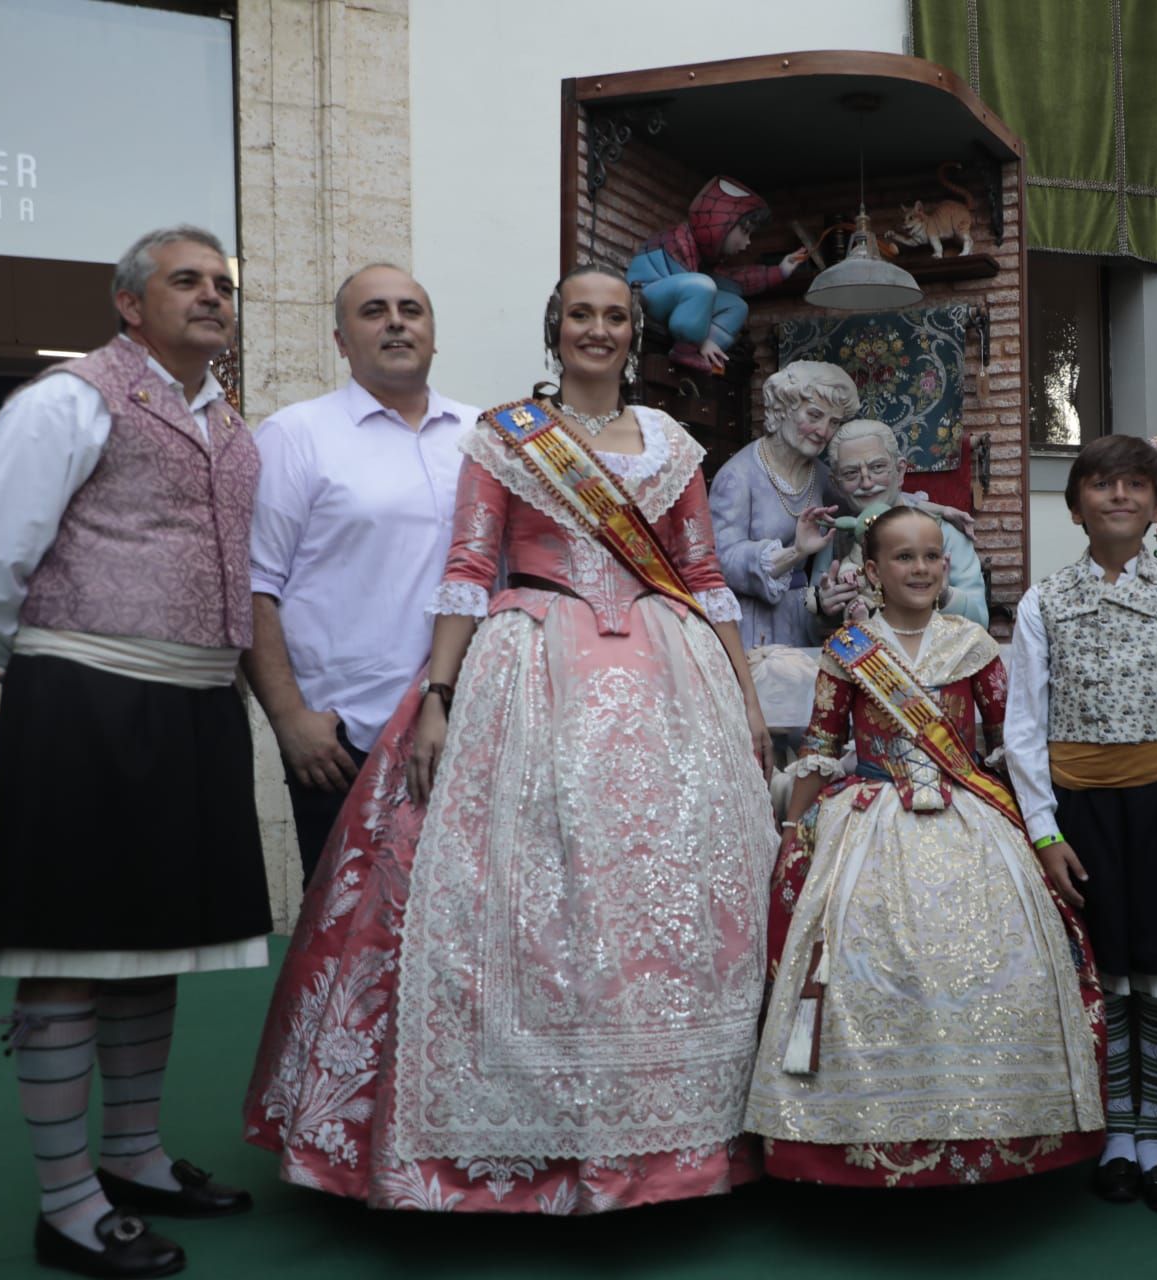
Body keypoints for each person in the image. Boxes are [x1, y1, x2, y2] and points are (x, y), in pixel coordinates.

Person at [242, 263, 778, 1215]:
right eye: (581, 314)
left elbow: (703, 577)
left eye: (616, 316)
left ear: (635, 335)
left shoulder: (673, 444)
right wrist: (439, 692)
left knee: (672, 899)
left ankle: (683, 1132)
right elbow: (468, 565)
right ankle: (522, 1146)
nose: (599, 330)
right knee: (532, 896)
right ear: (555, 329)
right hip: (533, 668)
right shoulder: (504, 437)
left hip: (670, 682)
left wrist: (742, 697)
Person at [0, 225, 266, 1277]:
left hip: (194, 706)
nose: (211, 295)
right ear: (130, 303)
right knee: (71, 962)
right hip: (86, 700)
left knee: (145, 953)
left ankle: (131, 1153)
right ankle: (67, 1200)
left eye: (222, 283)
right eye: (186, 281)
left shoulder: (228, 422)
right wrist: (51, 666)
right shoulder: (69, 398)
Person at [747, 506, 1104, 1186]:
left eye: (932, 556)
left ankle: (1003, 1121)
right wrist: (793, 835)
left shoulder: (973, 646)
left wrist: (1039, 831)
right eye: (904, 558)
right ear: (873, 572)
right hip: (871, 820)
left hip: (972, 820)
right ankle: (841, 1131)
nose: (921, 568)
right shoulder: (847, 652)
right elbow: (821, 751)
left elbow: (1006, 748)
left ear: (946, 567)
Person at [1002, 434, 1157, 1214]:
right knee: (1105, 970)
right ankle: (1115, 1136)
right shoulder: (1043, 601)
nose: (1120, 497)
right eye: (1101, 485)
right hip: (1080, 809)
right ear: (1075, 507)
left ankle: (1156, 1133)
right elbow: (1024, 723)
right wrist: (1044, 828)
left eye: (1137, 485)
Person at [245, 264, 481, 885]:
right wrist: (290, 719)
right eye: (374, 311)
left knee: (455, 936)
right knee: (341, 942)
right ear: (340, 340)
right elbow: (252, 587)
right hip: (344, 741)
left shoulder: (484, 436)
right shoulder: (296, 436)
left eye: (412, 309)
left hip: (468, 726)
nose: (396, 321)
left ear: (433, 334)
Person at [708, 360, 858, 650]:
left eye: (834, 422)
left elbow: (861, 504)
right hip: (752, 625)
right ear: (782, 409)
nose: (823, 431)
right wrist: (795, 553)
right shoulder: (737, 477)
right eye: (814, 415)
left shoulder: (819, 473)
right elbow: (721, 560)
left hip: (802, 618)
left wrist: (932, 510)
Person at [808, 417, 990, 630]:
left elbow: (980, 622)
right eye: (851, 473)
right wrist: (825, 609)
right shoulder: (833, 538)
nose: (866, 483)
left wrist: (946, 596)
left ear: (900, 470)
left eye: (877, 467)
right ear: (836, 484)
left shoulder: (943, 533)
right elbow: (812, 631)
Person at [627, 174, 806, 373]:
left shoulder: (704, 257)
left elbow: (733, 282)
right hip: (645, 297)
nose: (747, 243)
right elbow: (696, 291)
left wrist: (780, 271)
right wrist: (700, 340)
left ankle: (709, 349)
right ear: (722, 223)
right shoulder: (676, 243)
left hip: (676, 300)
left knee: (737, 306)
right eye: (745, 232)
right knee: (703, 286)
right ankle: (686, 349)